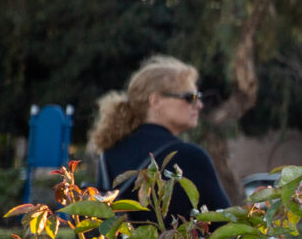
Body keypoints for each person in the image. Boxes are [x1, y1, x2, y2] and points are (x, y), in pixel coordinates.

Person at [92, 56, 232, 220]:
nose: (199, 105)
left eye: (198, 97)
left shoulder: (109, 154)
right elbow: (226, 228)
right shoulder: (190, 157)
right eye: (190, 97)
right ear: (156, 101)